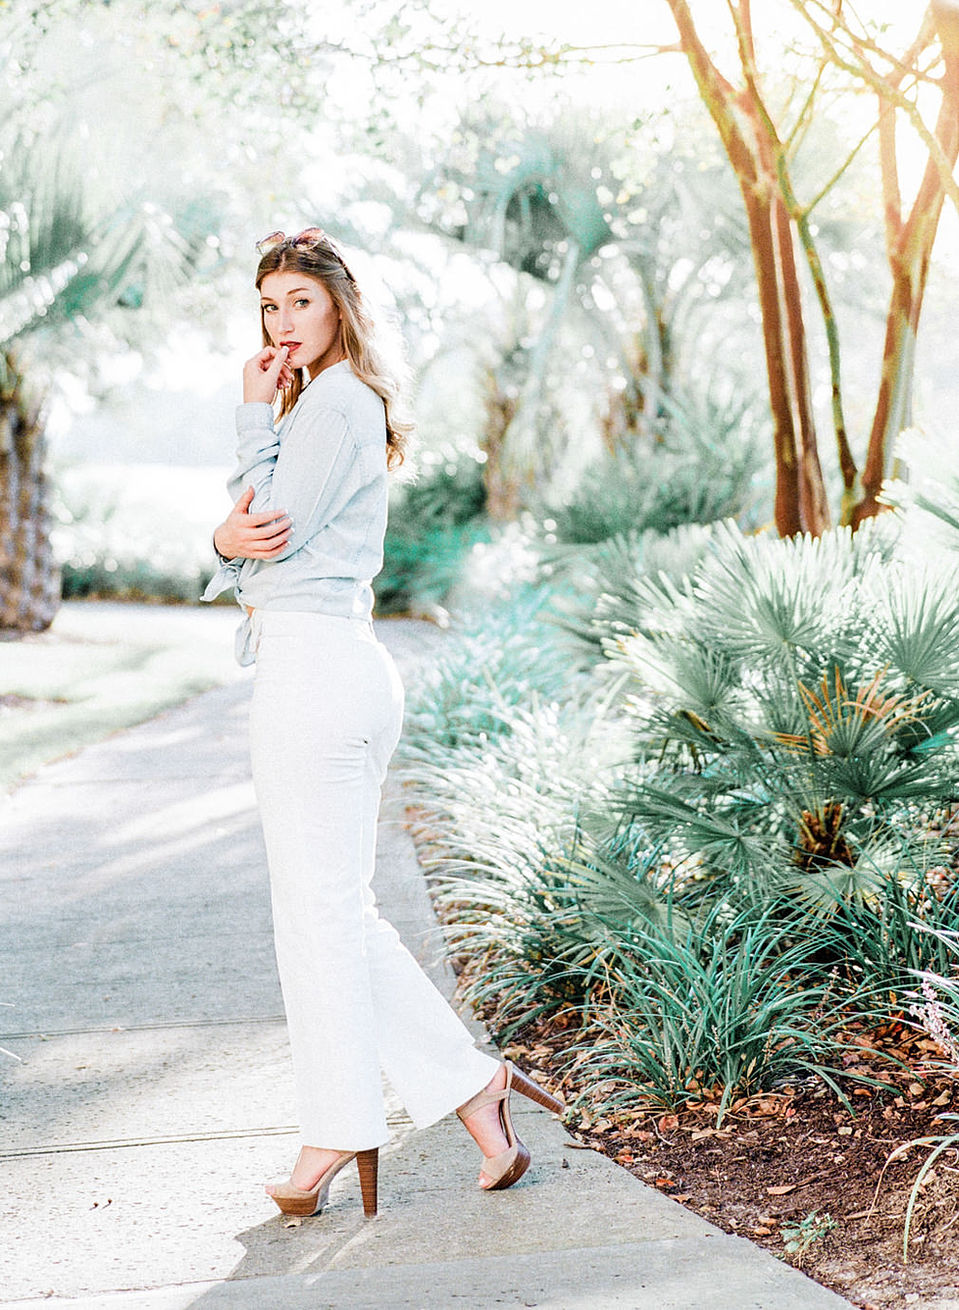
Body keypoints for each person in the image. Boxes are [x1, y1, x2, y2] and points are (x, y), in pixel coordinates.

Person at [201, 227, 563, 1219]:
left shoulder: (335, 401)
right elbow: (258, 526)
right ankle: (472, 1093)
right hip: (321, 664)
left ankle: (337, 1124)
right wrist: (233, 527)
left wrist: (235, 493)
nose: (281, 322)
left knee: (315, 917)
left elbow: (269, 531)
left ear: (338, 308)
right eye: (269, 304)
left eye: (299, 303)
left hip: (315, 670)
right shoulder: (322, 403)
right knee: (336, 913)